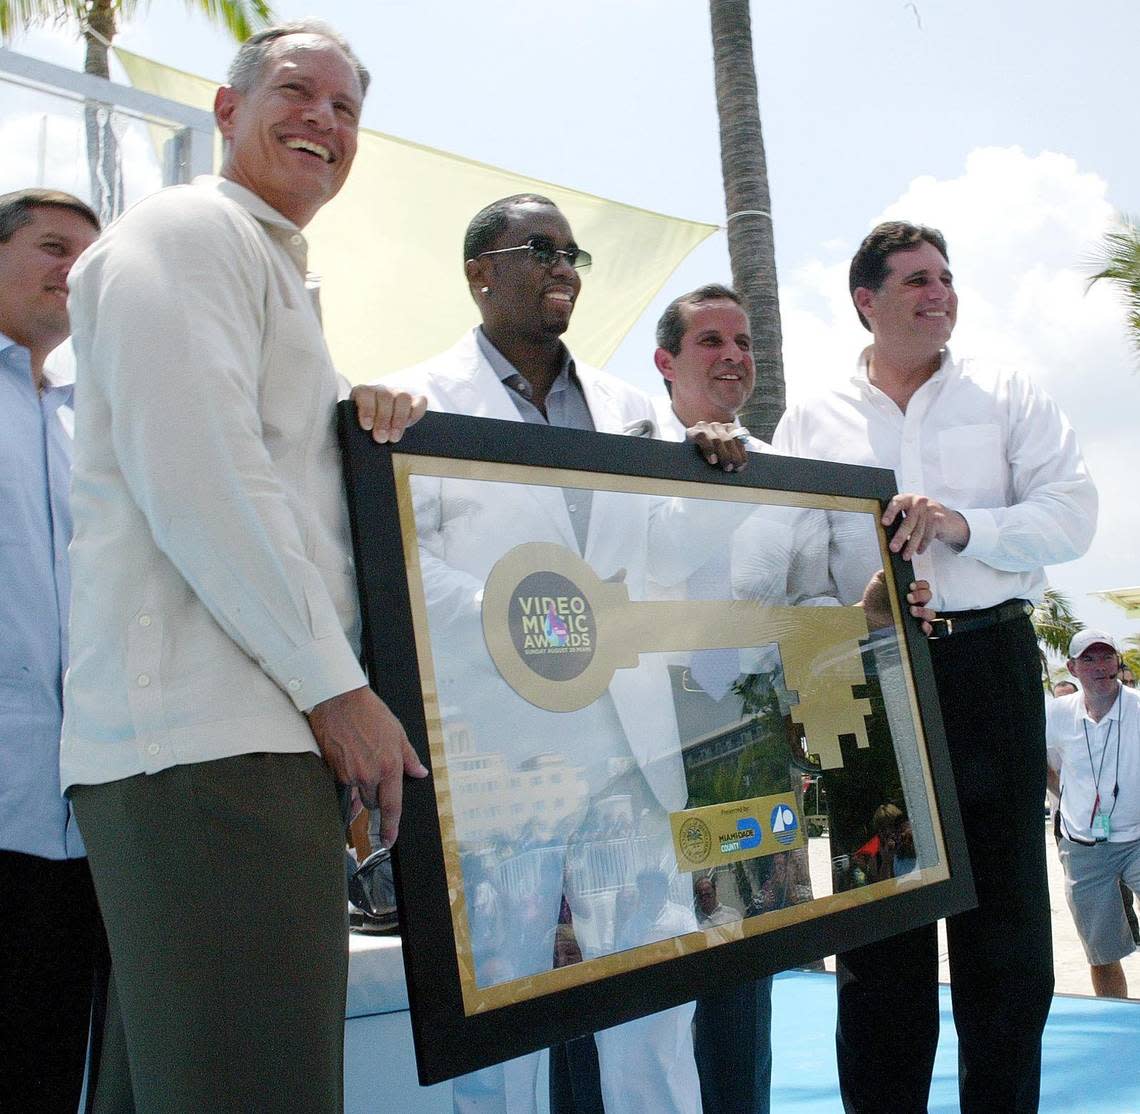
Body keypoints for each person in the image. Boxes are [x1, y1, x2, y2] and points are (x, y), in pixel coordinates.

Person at [61, 23, 426, 1114]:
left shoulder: (257, 262)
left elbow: (261, 467)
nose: (325, 119)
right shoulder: (184, 232)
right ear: (225, 111)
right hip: (217, 745)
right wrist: (341, 691)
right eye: (296, 91)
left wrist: (360, 420)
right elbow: (204, 478)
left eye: (347, 108)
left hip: (237, 749)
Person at [368, 195, 751, 1114]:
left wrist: (715, 478)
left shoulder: (629, 410)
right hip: (503, 758)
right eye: (538, 249)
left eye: (572, 251)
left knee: (654, 1021)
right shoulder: (410, 403)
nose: (563, 265)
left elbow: (658, 557)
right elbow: (400, 561)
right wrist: (531, 626)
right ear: (479, 273)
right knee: (500, 1030)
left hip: (632, 756)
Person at [773, 220, 1097, 1112]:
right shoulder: (812, 416)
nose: (940, 292)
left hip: (987, 665)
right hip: (865, 678)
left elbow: (1073, 514)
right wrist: (855, 622)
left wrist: (962, 525)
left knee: (1007, 939)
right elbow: (795, 563)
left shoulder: (1008, 393)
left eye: (947, 277)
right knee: (880, 941)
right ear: (865, 301)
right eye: (917, 279)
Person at [0, 187, 101, 1113]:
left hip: (80, 824)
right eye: (51, 246)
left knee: (49, 1069)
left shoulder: (92, 419)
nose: (74, 270)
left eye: (88, 254)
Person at [1047, 630, 1140, 997]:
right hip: (1083, 848)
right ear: (1072, 667)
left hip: (1137, 839)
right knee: (1101, 953)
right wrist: (1065, 796)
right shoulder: (1055, 714)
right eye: (1089, 659)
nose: (1100, 666)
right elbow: (1036, 759)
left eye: (1106, 657)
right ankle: (1115, 1023)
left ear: (1117, 662)